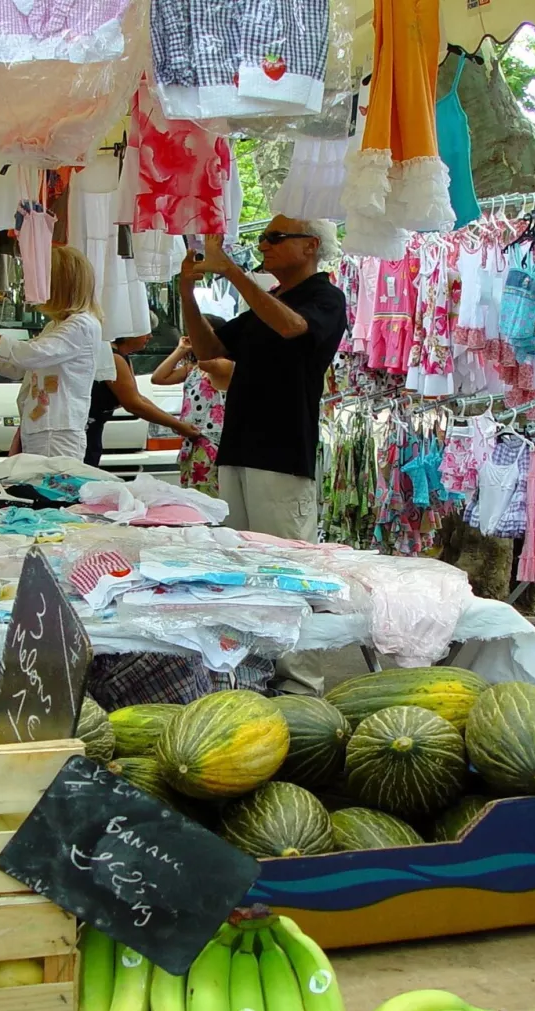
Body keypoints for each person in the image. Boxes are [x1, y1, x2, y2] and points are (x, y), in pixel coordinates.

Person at [180, 217, 347, 696]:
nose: (265, 245)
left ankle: (301, 684)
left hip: (282, 454)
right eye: (264, 237)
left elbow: (294, 329)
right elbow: (211, 349)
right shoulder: (267, 302)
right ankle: (255, 673)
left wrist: (231, 270)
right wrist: (188, 294)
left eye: (276, 238)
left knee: (289, 573)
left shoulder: (324, 298)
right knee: (245, 571)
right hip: (238, 450)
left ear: (311, 246)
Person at [0, 244, 104, 459]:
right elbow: (18, 368)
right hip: (41, 426)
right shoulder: (56, 326)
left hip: (56, 430)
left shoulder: (82, 325)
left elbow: (29, 355)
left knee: (50, 487)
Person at [83, 333, 200, 468]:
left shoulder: (121, 356)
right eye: (145, 331)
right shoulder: (113, 357)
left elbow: (137, 397)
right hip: (85, 429)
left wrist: (175, 423)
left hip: (93, 430)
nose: (150, 336)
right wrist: (177, 425)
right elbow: (133, 404)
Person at [151, 324, 232, 495]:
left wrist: (204, 340)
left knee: (208, 495)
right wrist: (180, 350)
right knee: (192, 496)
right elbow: (158, 377)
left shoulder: (224, 365)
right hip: (192, 442)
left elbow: (207, 362)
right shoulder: (192, 369)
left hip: (212, 442)